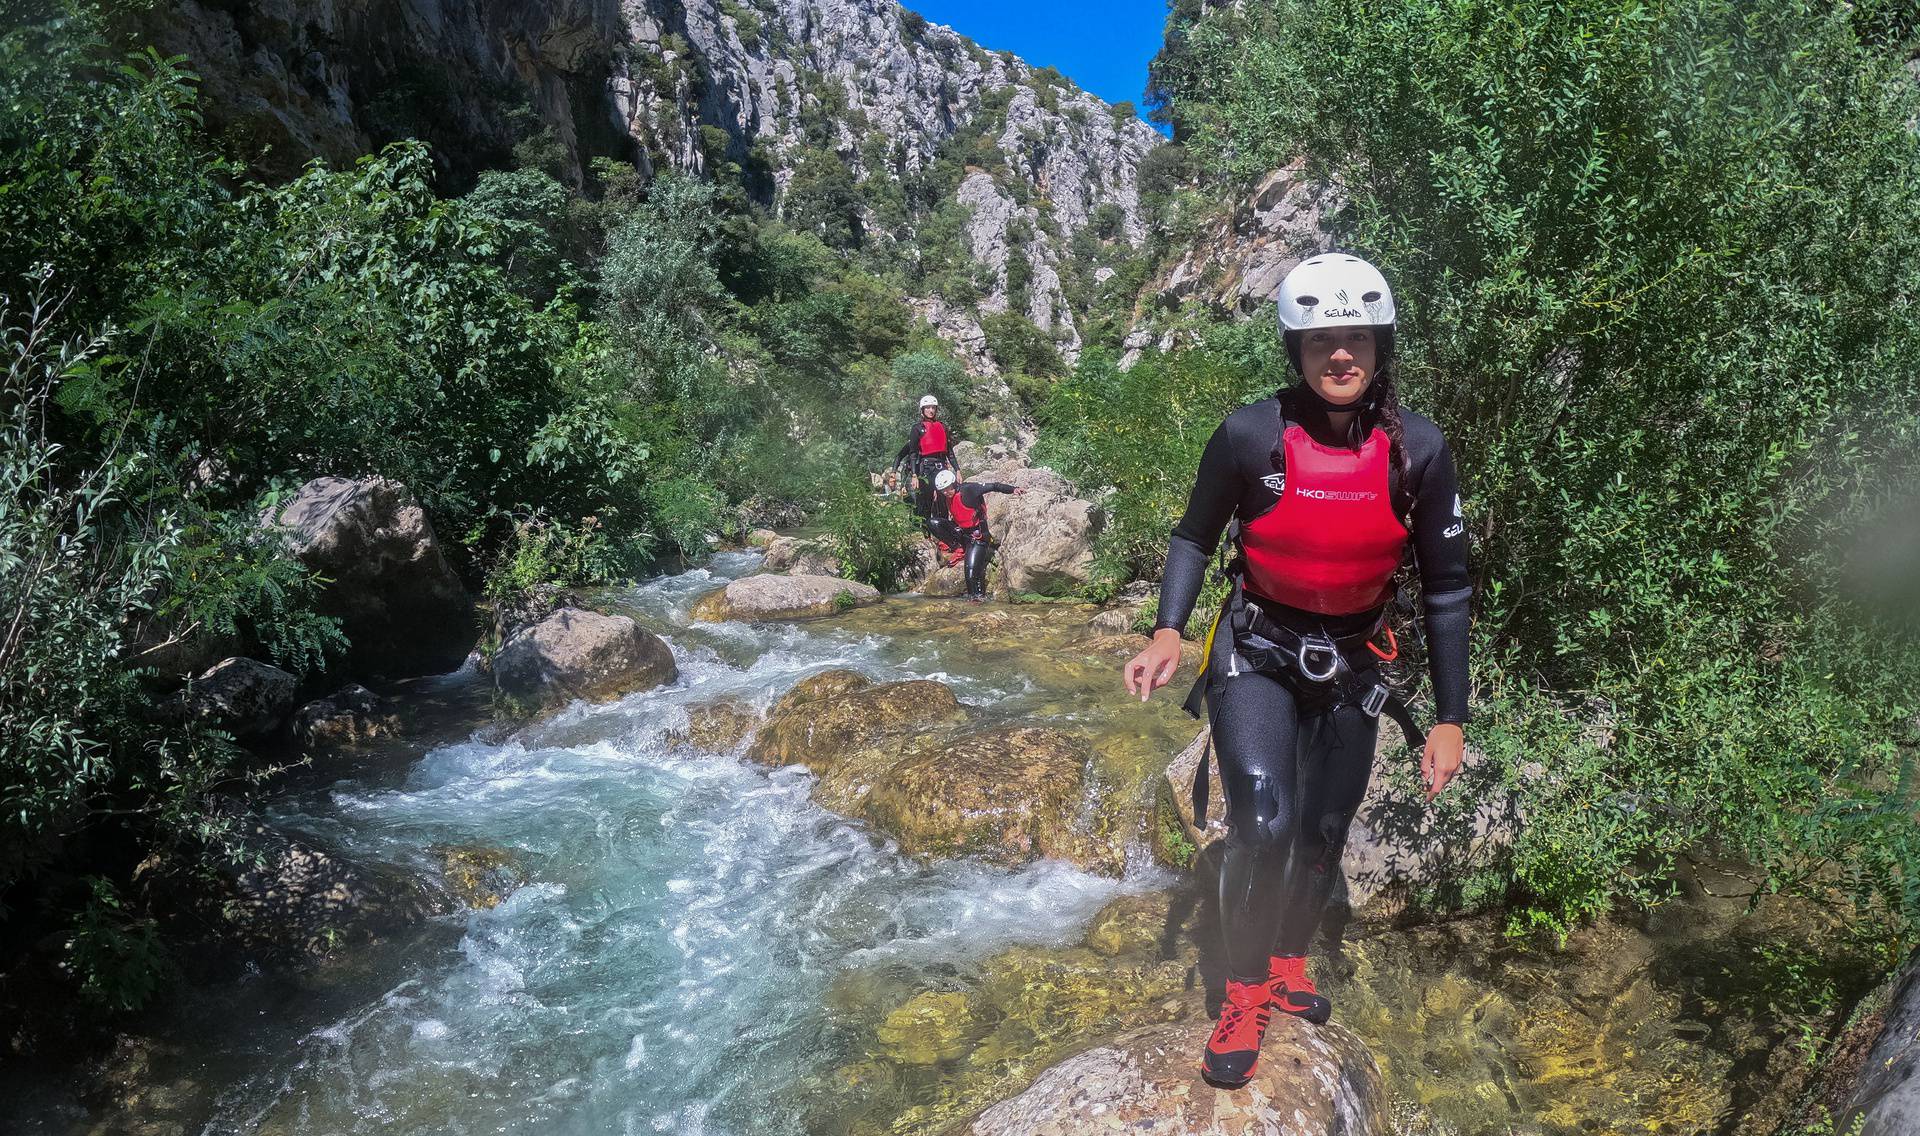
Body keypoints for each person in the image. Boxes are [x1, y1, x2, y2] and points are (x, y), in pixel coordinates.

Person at [1121, 254, 1470, 1089]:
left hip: (1354, 665)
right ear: (1296, 349)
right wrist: (1169, 629)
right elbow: (1194, 536)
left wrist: (1452, 715)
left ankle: (1285, 961)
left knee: (1321, 833)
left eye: (1356, 338)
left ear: (1380, 346)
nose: (1339, 356)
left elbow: (1448, 589)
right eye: (1322, 341)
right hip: (1259, 653)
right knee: (1266, 824)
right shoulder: (1251, 435)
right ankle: (1242, 993)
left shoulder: (1417, 451)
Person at [927, 469, 1024, 602]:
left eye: (947, 489)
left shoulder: (968, 490)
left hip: (977, 538)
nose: (945, 492)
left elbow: (994, 486)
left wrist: (1013, 489)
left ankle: (977, 600)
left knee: (971, 575)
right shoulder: (946, 497)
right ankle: (958, 548)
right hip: (962, 534)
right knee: (933, 522)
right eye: (942, 490)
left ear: (953, 484)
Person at [893, 394, 958, 525]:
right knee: (924, 500)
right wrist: (914, 475)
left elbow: (949, 452)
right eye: (927, 408)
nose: (931, 410)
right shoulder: (917, 428)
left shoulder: (943, 427)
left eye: (933, 407)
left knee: (942, 500)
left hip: (941, 466)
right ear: (922, 410)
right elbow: (912, 454)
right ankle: (923, 528)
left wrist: (958, 469)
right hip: (925, 468)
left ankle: (944, 529)